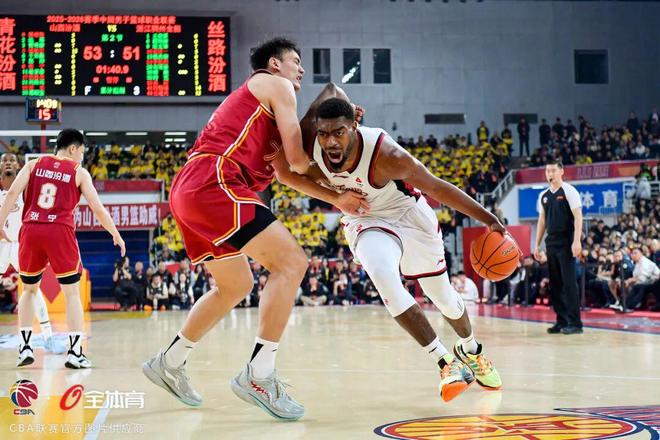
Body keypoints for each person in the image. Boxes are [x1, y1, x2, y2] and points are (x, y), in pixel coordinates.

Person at [142, 38, 367, 420]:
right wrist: (340, 140)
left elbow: (287, 174)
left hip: (191, 189)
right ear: (274, 64)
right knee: (292, 264)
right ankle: (259, 376)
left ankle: (170, 361)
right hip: (215, 180)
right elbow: (300, 162)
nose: (301, 69)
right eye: (295, 61)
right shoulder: (274, 84)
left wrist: (337, 199)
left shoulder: (267, 117)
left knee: (235, 286)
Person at [280, 95, 504, 402]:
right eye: (324, 133)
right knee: (382, 274)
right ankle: (445, 362)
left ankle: (470, 349)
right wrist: (335, 198)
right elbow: (288, 172)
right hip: (366, 219)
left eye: (339, 133)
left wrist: (489, 219)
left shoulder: (388, 155)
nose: (330, 141)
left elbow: (436, 187)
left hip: (409, 216)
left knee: (445, 299)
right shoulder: (312, 145)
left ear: (354, 126)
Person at [0, 129, 125, 368]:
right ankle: (75, 353)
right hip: (59, 231)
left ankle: (25, 348)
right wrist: (115, 234)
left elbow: (12, 193)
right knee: (72, 294)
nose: (82, 157)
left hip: (31, 229)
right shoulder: (79, 172)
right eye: (82, 152)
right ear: (73, 148)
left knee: (29, 290)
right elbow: (97, 207)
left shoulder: (34, 164)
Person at [0, 153, 67, 354]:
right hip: (2, 245)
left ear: (19, 166)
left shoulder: (28, 189)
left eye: (12, 160)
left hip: (22, 244)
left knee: (33, 290)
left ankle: (48, 337)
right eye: (4, 160)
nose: (8, 163)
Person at [534, 159, 584, 334]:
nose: (550, 174)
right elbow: (542, 221)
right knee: (555, 284)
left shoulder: (569, 191)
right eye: (547, 171)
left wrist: (577, 241)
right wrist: (537, 244)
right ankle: (561, 321)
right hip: (551, 242)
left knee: (569, 283)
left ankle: (575, 323)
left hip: (566, 240)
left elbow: (578, 217)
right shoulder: (543, 195)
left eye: (553, 170)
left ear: (561, 171)